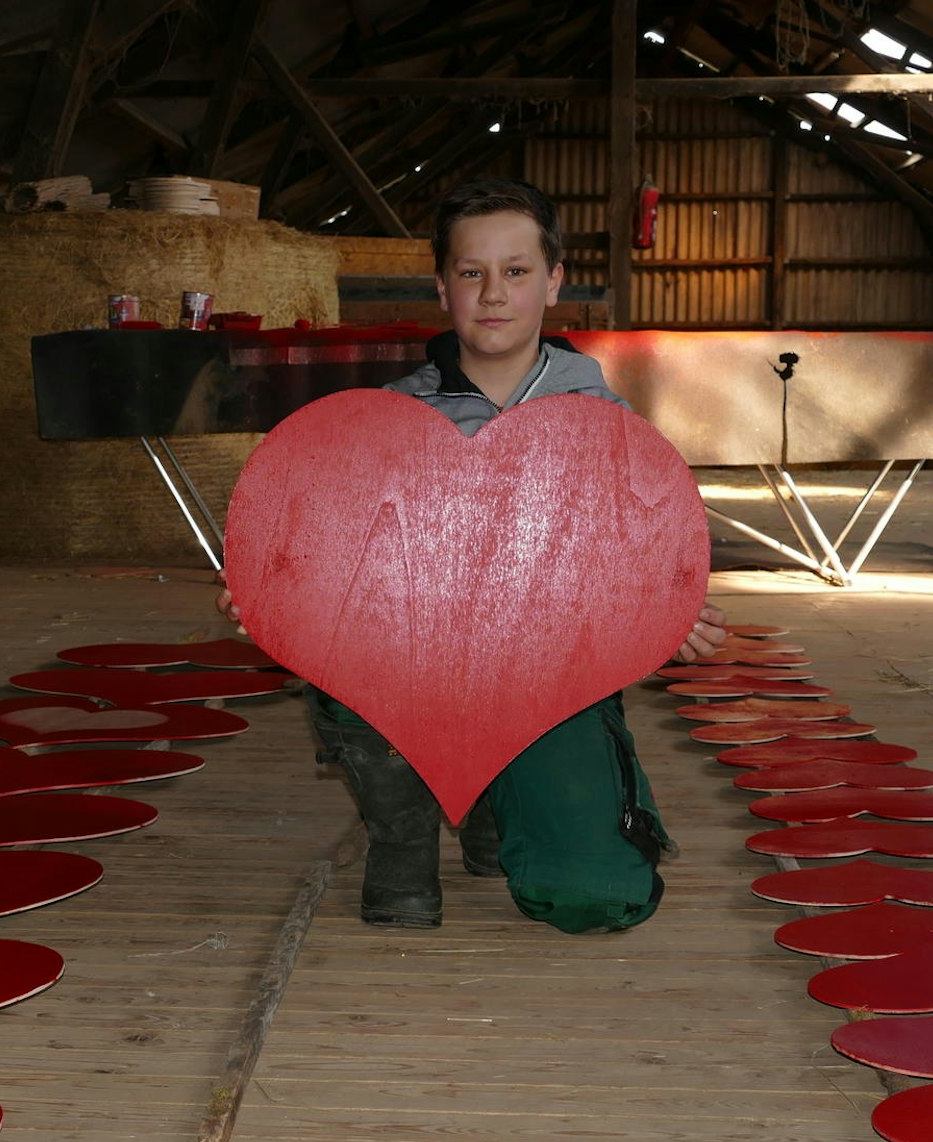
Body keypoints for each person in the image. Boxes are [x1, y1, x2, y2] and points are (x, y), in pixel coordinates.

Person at [220, 177, 726, 933]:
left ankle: (496, 796)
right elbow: (326, 555)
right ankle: (403, 835)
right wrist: (273, 593)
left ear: (553, 282)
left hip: (551, 680)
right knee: (347, 644)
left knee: (592, 896)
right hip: (410, 665)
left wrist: (663, 614)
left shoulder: (608, 429)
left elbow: (639, 562)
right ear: (442, 285)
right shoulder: (383, 422)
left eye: (517, 271)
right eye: (471, 272)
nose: (494, 294)